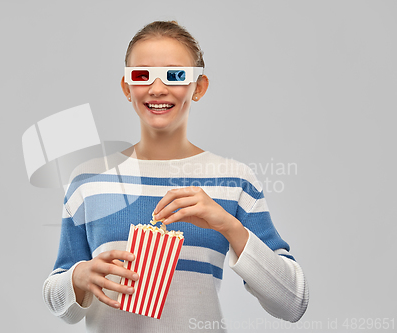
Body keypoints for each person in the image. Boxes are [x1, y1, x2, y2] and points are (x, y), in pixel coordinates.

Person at [43, 20, 309, 332]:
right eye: (142, 76)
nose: (157, 88)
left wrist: (228, 225)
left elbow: (293, 303)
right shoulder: (88, 180)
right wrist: (77, 278)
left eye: (175, 75)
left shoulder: (234, 180)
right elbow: (60, 303)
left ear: (199, 87)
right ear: (127, 88)